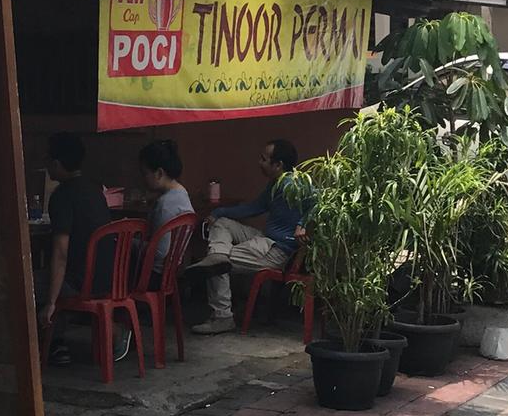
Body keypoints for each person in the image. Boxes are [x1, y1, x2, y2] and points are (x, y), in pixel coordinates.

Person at [188, 138, 309, 335]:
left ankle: (222, 317)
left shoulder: (293, 183)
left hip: (276, 249)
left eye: (264, 159)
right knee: (222, 224)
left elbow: (320, 203)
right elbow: (253, 208)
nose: (259, 163)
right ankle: (218, 254)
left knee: (210, 266)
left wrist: (302, 225)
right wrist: (218, 212)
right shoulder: (275, 184)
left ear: (278, 165)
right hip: (265, 238)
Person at [39, 131, 129, 365]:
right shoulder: (95, 191)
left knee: (27, 283)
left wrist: (50, 302)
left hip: (81, 284)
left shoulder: (62, 197)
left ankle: (54, 344)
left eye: (48, 160)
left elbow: (60, 253)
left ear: (56, 164)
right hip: (110, 279)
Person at [138, 139, 195, 277]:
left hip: (154, 275)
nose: (142, 178)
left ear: (159, 173)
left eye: (145, 173)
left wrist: (129, 242)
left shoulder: (165, 205)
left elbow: (159, 252)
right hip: (172, 272)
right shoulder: (182, 193)